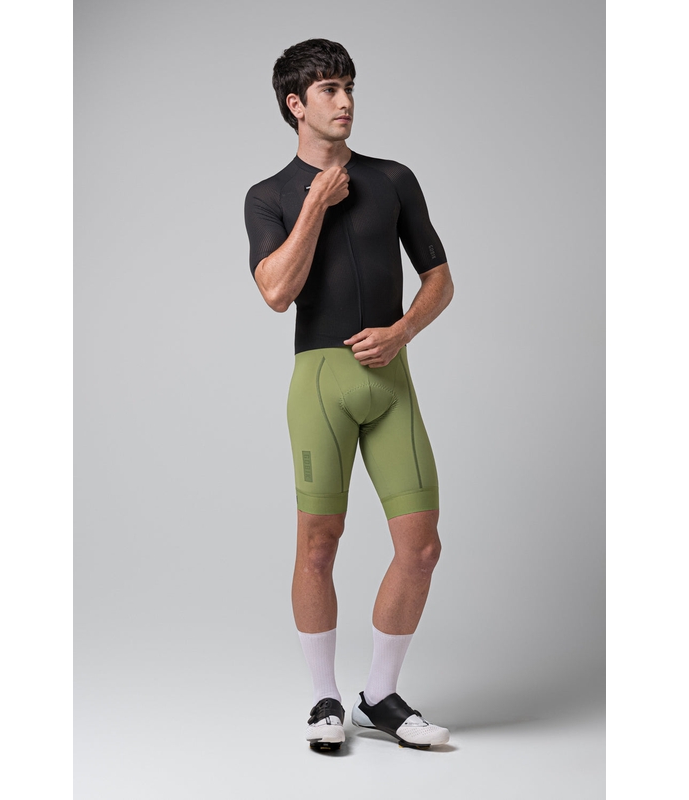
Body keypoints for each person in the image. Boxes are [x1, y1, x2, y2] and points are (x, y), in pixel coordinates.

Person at [244, 39, 454, 751]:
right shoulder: (269, 195)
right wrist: (315, 203)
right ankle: (324, 699)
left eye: (350, 87)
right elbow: (276, 291)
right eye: (330, 90)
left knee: (421, 548)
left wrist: (401, 332)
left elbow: (439, 279)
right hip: (320, 384)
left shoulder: (393, 178)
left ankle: (380, 696)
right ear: (295, 104)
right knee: (318, 543)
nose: (346, 101)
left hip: (390, 378)